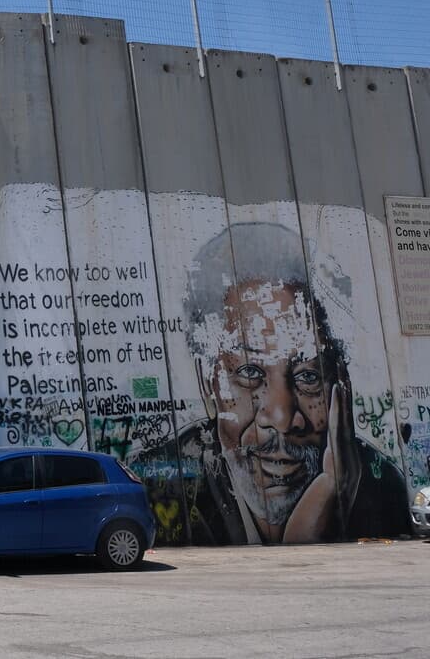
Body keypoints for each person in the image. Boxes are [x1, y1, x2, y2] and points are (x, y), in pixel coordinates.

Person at [173, 222, 407, 544]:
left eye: (309, 377)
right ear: (207, 382)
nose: (283, 419)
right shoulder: (165, 488)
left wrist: (330, 497)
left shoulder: (383, 488)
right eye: (250, 374)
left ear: (341, 383)